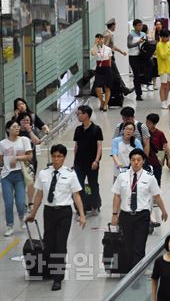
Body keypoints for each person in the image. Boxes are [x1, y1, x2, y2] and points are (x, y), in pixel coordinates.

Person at [25, 145, 86, 291]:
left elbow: (76, 195)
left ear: (64, 158)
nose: (56, 159)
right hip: (49, 212)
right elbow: (39, 194)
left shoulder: (70, 174)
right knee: (49, 244)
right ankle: (53, 270)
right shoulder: (44, 173)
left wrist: (82, 215)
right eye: (54, 156)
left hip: (64, 212)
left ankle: (57, 278)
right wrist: (33, 213)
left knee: (60, 244)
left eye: (59, 156)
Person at [1, 120, 32, 236]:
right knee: (8, 203)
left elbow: (30, 155)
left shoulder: (24, 140)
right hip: (6, 176)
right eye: (14, 127)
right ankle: (9, 225)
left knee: (20, 202)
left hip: (19, 174)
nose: (17, 128)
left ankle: (21, 216)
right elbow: (1, 159)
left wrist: (17, 158)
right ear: (8, 129)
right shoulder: (2, 143)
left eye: (18, 126)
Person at [73, 105, 103, 216]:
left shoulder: (96, 129)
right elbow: (76, 145)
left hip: (92, 163)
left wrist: (96, 161)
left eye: (80, 113)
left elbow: (99, 146)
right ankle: (82, 208)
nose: (78, 115)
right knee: (78, 186)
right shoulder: (78, 129)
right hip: (79, 163)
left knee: (93, 185)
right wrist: (74, 162)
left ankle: (95, 205)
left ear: (86, 114)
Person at [155, 29, 170, 108]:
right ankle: (163, 101)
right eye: (166, 37)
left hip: (169, 68)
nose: (168, 39)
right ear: (162, 37)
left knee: (168, 85)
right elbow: (163, 55)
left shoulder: (168, 43)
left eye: (168, 37)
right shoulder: (159, 45)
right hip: (163, 68)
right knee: (163, 85)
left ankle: (167, 100)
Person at [127, 19, 149, 101]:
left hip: (142, 56)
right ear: (135, 26)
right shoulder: (131, 35)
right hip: (133, 56)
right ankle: (138, 94)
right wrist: (138, 43)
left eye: (141, 25)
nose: (141, 27)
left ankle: (146, 83)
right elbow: (129, 45)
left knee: (144, 72)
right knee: (136, 75)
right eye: (139, 25)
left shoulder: (143, 34)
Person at [91, 33, 113, 111]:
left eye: (101, 38)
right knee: (97, 88)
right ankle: (102, 101)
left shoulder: (108, 49)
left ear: (103, 39)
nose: (100, 40)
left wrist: (109, 69)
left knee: (107, 88)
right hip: (99, 69)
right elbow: (93, 53)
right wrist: (95, 44)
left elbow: (110, 61)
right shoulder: (95, 48)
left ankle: (105, 104)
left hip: (107, 69)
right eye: (98, 38)